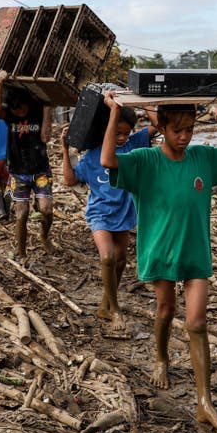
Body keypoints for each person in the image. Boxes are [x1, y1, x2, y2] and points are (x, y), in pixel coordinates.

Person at [101, 94, 217, 430]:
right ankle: (162, 357)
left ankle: (204, 402)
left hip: (196, 252)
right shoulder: (145, 161)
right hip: (162, 251)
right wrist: (113, 113)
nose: (185, 136)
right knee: (166, 310)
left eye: (190, 129)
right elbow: (109, 160)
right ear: (161, 127)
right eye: (178, 130)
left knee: (197, 324)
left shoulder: (202, 157)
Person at [61, 98, 153, 335]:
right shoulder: (92, 155)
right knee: (108, 258)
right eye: (118, 132)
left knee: (121, 261)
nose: (122, 137)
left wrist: (142, 99)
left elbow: (159, 126)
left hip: (124, 211)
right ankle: (114, 309)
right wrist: (64, 148)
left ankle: (104, 304)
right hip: (99, 213)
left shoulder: (135, 145)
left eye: (126, 132)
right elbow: (70, 180)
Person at [0, 70, 53, 260]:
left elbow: (45, 137)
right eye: (17, 111)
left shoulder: (36, 108)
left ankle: (44, 234)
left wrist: (47, 109)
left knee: (46, 210)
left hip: (40, 170)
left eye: (23, 110)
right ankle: (22, 251)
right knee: (22, 214)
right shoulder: (8, 114)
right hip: (18, 172)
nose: (21, 113)